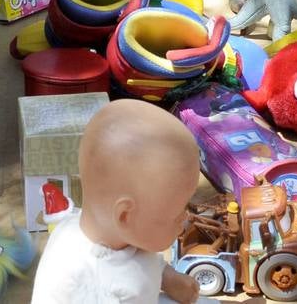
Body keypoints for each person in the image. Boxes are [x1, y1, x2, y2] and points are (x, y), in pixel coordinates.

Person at [30, 98, 201, 304]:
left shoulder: (120, 237)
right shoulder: (91, 285)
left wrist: (169, 278)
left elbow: (140, 258)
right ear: (125, 216)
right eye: (175, 214)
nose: (185, 220)